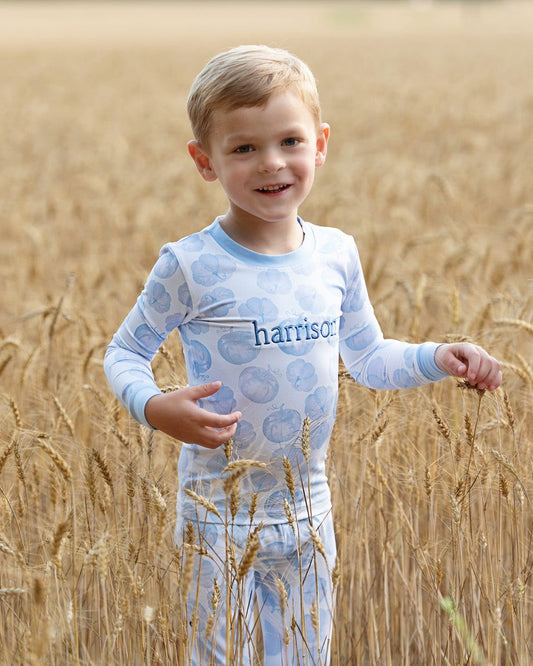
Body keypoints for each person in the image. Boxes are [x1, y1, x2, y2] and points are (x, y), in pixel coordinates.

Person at [104, 45, 502, 665]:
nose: (272, 163)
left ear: (319, 143)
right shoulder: (189, 264)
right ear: (204, 161)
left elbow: (368, 358)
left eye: (289, 141)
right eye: (243, 148)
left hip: (310, 512)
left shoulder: (336, 254)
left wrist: (437, 355)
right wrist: (154, 406)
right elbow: (124, 352)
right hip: (218, 512)